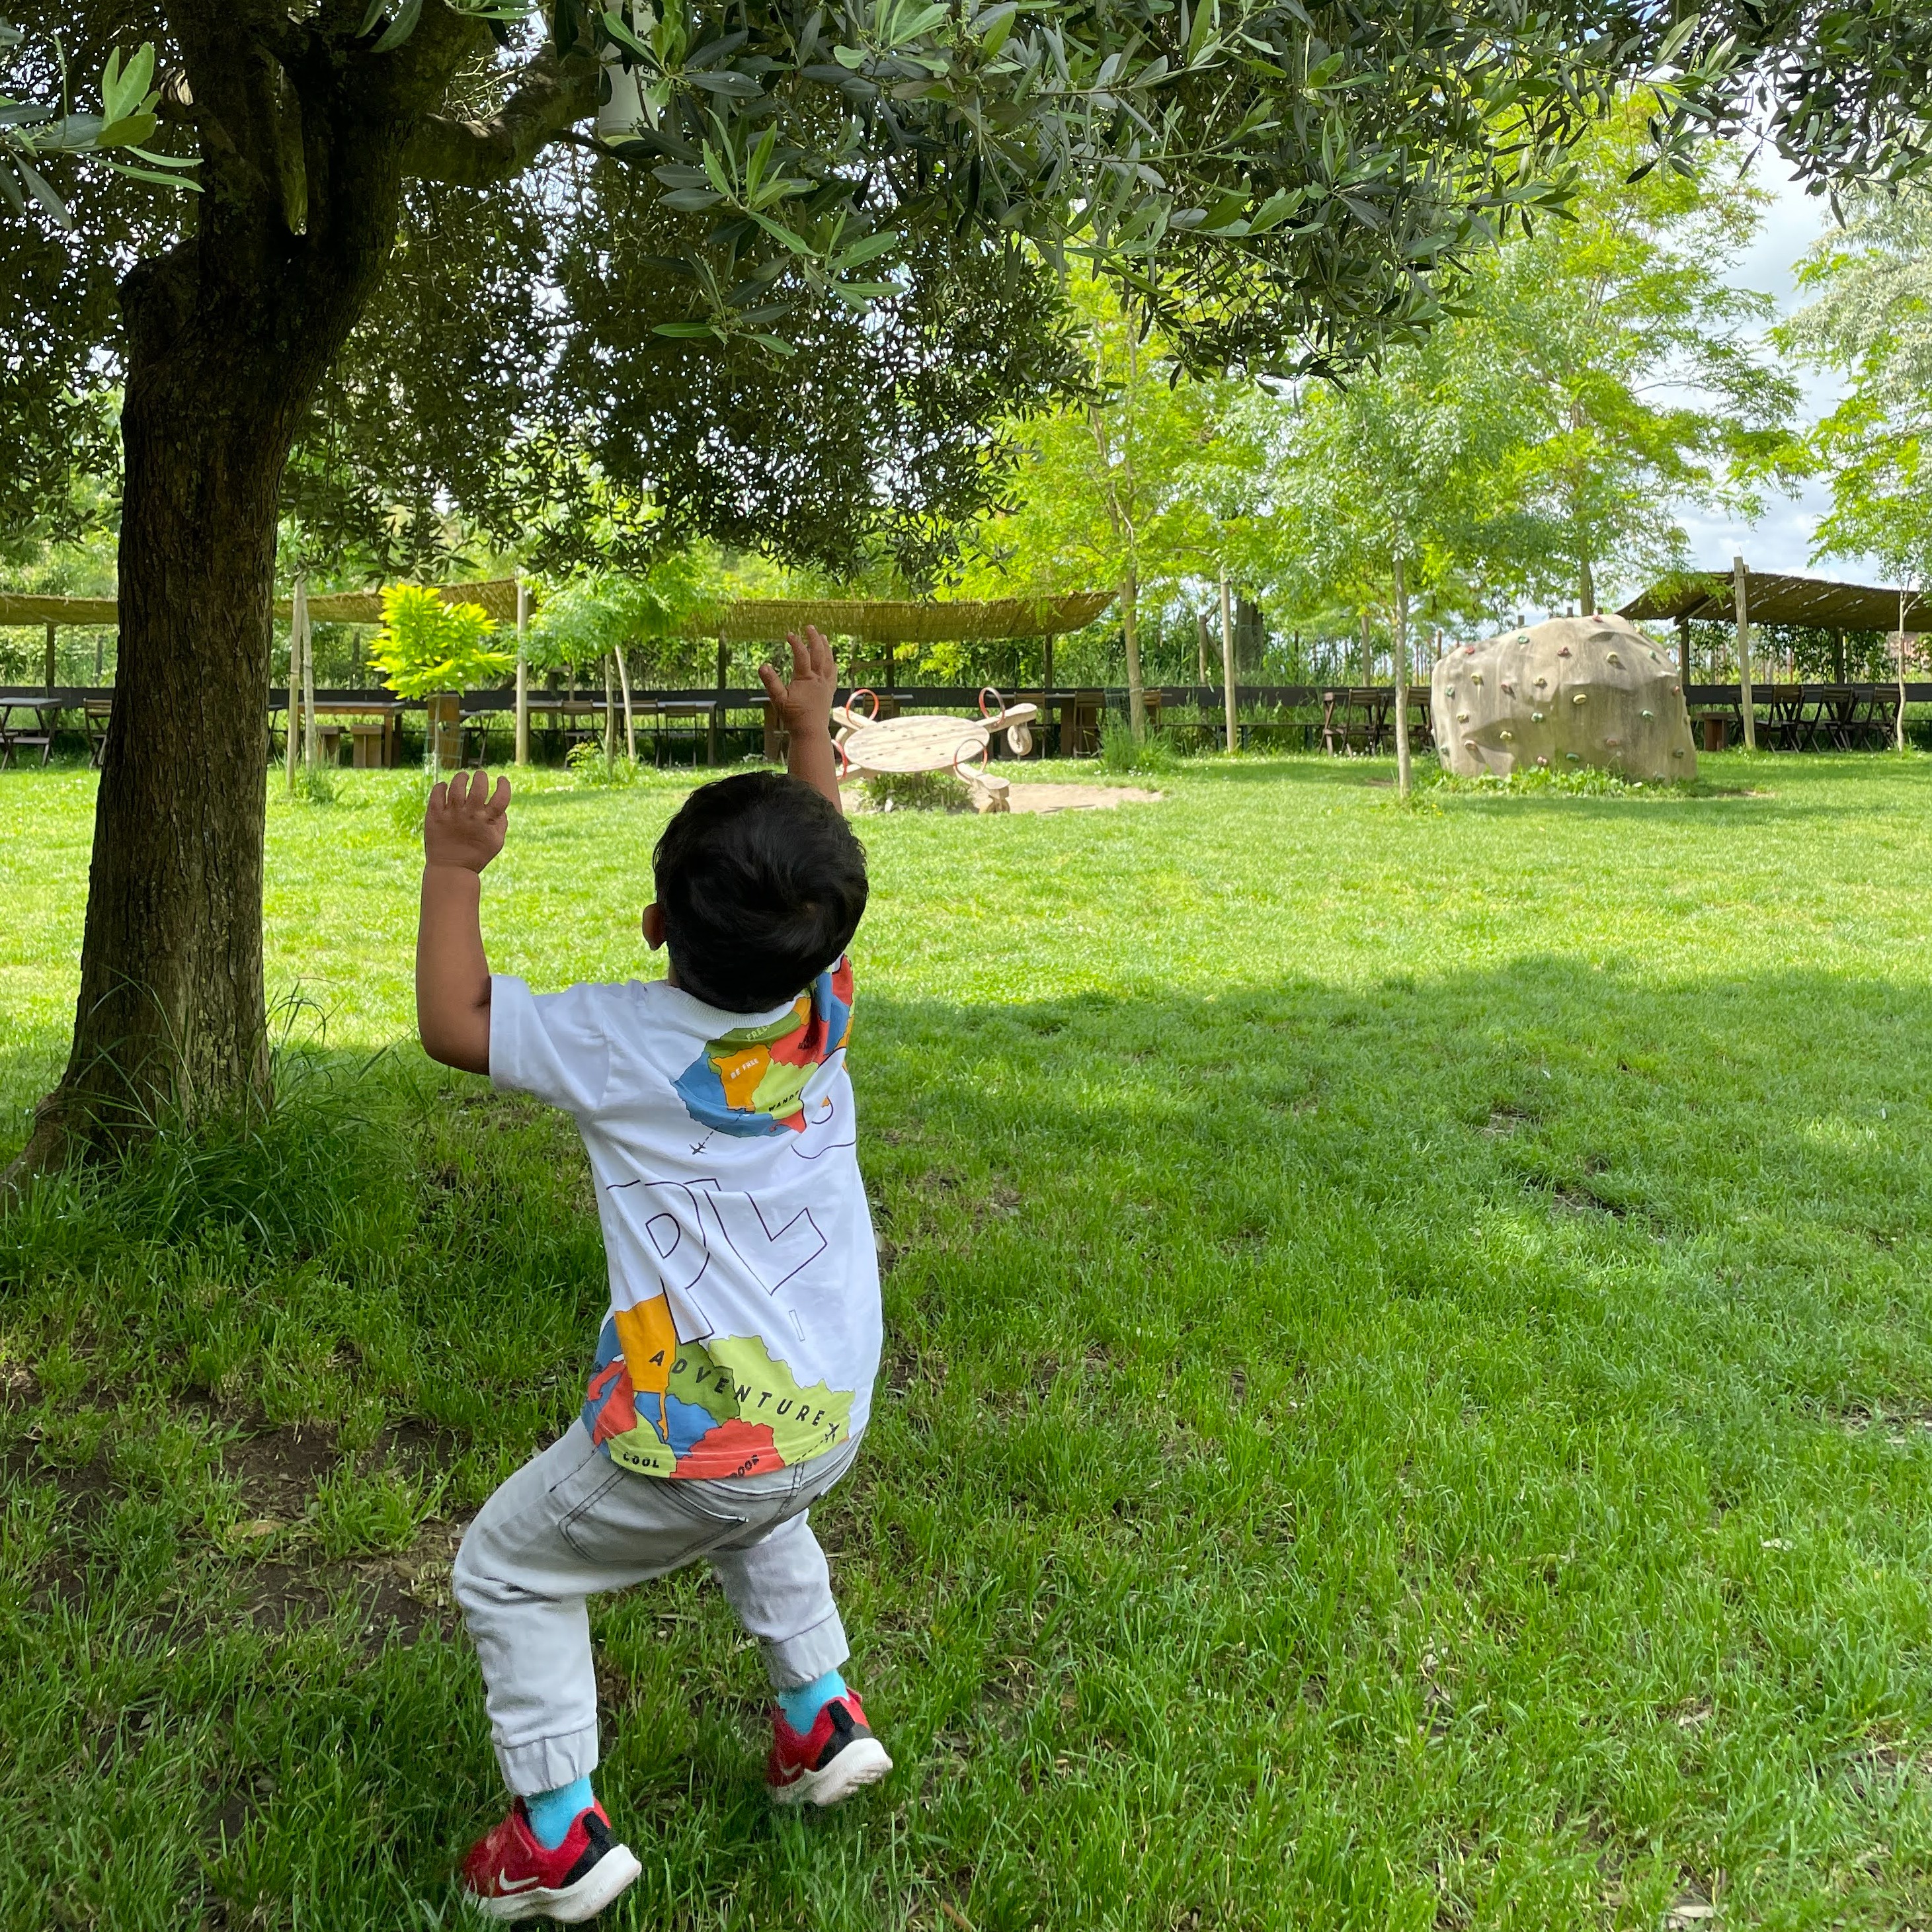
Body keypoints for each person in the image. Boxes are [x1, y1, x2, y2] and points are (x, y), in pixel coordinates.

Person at [415, 628, 888, 1924]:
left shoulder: (618, 1038)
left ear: (651, 925)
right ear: (829, 936)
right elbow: (820, 886)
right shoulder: (823, 1008)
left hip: (698, 1430)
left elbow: (457, 1022)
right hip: (824, 1406)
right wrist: (810, 731)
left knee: (509, 1568)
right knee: (760, 1499)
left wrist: (454, 866)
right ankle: (819, 1715)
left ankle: (557, 1835)